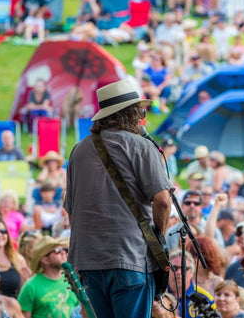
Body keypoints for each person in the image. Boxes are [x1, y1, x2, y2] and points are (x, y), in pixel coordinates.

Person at [64, 79, 174, 318]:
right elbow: (163, 200)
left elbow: (71, 211)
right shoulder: (143, 147)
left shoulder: (78, 150)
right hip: (130, 257)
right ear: (132, 113)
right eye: (140, 111)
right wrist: (158, 237)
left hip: (89, 261)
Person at [18, 236, 79, 317]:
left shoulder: (72, 280)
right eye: (57, 251)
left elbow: (81, 311)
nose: (63, 252)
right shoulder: (31, 286)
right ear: (45, 260)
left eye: (64, 249)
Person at [167, 249, 215, 318]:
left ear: (192, 272)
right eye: (174, 268)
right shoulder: (158, 296)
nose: (179, 272)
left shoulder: (205, 299)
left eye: (184, 268)